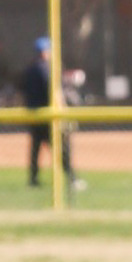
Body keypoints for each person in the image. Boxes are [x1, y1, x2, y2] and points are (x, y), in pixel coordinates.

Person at [19, 37, 78, 188]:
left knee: (36, 148)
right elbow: (53, 91)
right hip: (48, 116)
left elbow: (22, 89)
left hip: (34, 115)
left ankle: (33, 179)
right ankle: (72, 178)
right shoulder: (46, 68)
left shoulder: (30, 69)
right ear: (46, 51)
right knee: (61, 147)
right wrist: (63, 109)